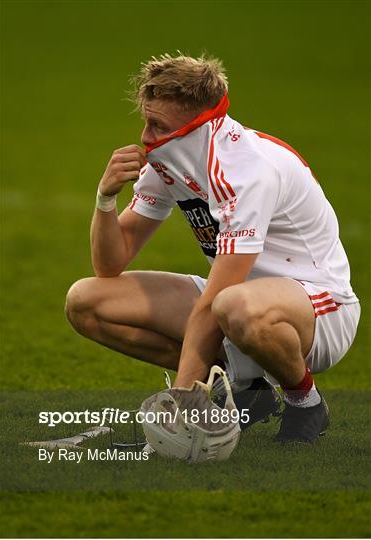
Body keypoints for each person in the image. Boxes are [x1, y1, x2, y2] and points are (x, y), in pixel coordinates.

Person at [65, 53, 360, 443]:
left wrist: (181, 398)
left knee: (232, 305)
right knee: (86, 301)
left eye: (158, 125)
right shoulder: (169, 161)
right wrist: (105, 199)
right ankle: (245, 390)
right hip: (234, 299)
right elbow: (110, 263)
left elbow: (220, 296)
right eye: (146, 121)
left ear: (197, 125)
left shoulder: (247, 171)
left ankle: (304, 402)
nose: (146, 137)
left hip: (320, 307)